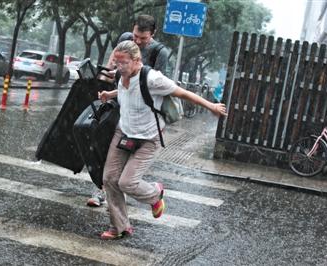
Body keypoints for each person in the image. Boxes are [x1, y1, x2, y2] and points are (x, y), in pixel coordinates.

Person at [97, 40, 227, 240]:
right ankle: (120, 227)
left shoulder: (152, 79)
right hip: (124, 133)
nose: (119, 67)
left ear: (137, 60)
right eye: (117, 62)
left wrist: (212, 106)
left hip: (149, 139)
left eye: (123, 62)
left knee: (127, 182)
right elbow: (126, 90)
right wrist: (110, 94)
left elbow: (183, 93)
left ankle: (155, 194)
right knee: (109, 179)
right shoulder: (119, 75)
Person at [87, 14, 169, 207]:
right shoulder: (125, 39)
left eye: (143, 38)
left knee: (129, 154)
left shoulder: (159, 53)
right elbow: (112, 64)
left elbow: (156, 87)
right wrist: (105, 75)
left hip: (140, 114)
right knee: (106, 147)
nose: (137, 42)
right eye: (135, 37)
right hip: (117, 105)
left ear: (153, 34)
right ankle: (101, 190)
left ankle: (141, 192)